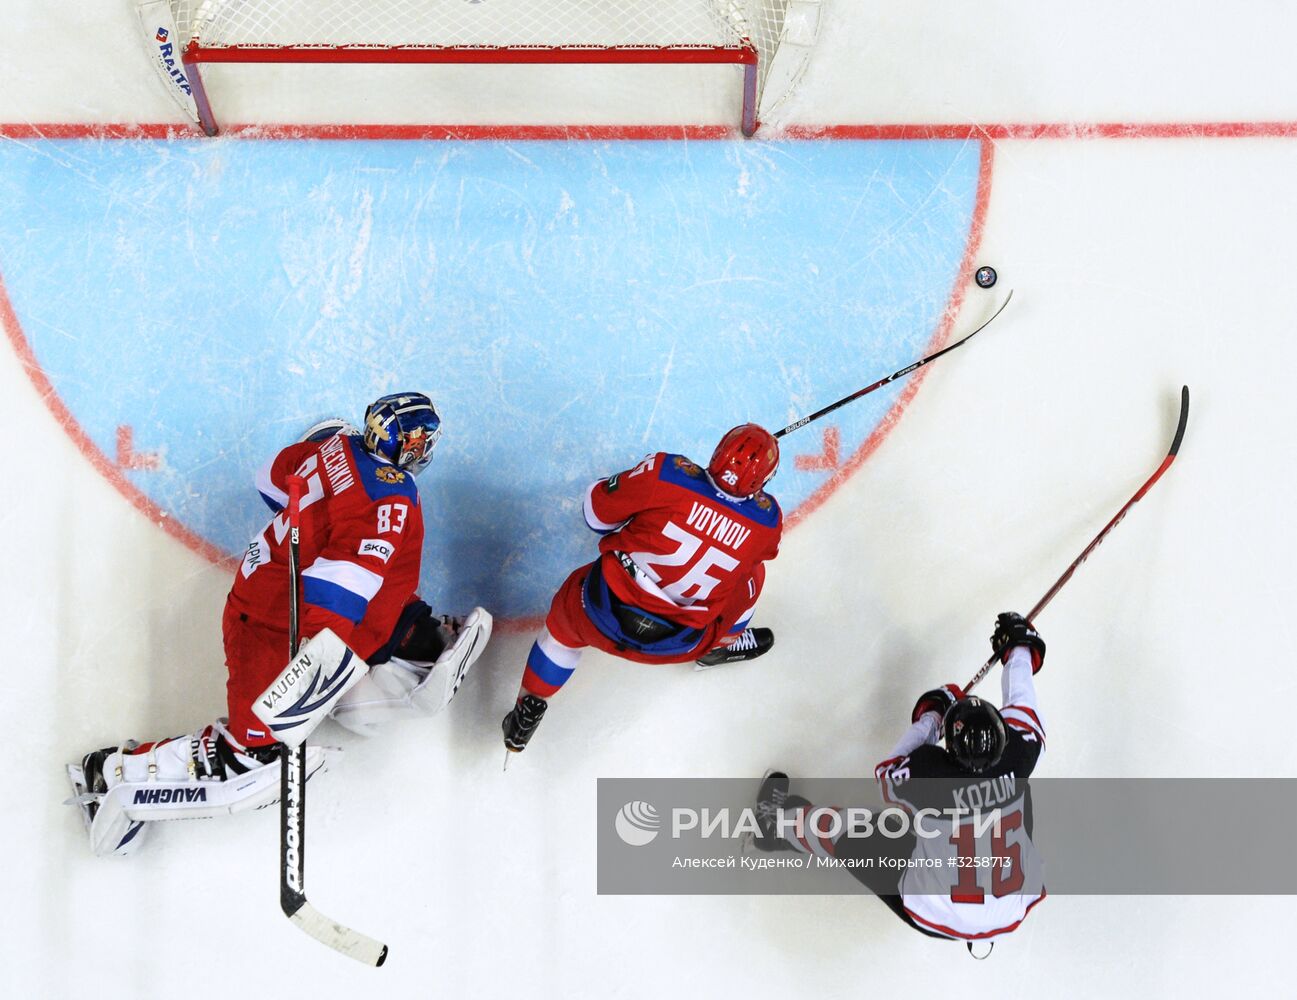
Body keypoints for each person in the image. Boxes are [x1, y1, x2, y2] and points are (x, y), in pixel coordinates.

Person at [68, 393, 491, 856]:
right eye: (421, 440)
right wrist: (316, 661)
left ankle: (402, 638)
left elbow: (270, 480)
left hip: (277, 590)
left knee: (378, 605)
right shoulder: (389, 497)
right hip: (269, 623)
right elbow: (339, 585)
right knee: (246, 759)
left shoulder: (334, 447)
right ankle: (108, 774)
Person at [753, 612, 1046, 949]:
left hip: (935, 909)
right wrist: (1020, 648)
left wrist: (932, 716)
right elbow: (1023, 703)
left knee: (844, 831)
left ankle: (774, 828)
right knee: (1016, 794)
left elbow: (887, 775)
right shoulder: (1021, 751)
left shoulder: (928, 773)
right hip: (1010, 909)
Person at [501, 424, 784, 756]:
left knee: (563, 633)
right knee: (752, 573)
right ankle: (718, 647)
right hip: (676, 644)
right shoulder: (768, 523)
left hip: (597, 613)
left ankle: (529, 706)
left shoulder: (667, 474)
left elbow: (595, 515)